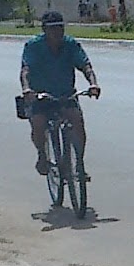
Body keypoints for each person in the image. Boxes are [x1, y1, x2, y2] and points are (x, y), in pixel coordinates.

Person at [19, 11, 97, 176]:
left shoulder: (71, 45)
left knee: (77, 121)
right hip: (41, 96)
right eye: (52, 28)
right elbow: (25, 70)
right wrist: (27, 89)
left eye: (60, 27)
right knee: (38, 122)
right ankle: (42, 154)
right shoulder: (33, 46)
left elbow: (86, 66)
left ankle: (79, 162)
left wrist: (93, 84)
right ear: (44, 29)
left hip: (66, 94)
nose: (57, 32)